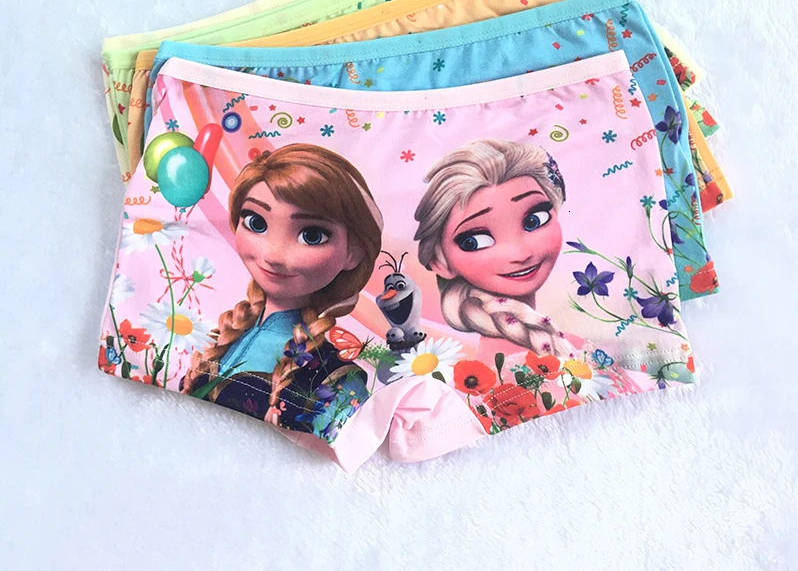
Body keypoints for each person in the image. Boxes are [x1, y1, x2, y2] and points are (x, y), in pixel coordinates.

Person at [181, 144, 383, 442]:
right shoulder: (223, 333)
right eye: (256, 223)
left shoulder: (337, 379)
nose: (273, 255)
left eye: (312, 235)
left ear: (353, 251)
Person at [414, 138, 573, 362]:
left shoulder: (562, 343)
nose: (520, 254)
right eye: (475, 241)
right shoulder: (505, 364)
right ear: (440, 262)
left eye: (534, 220)